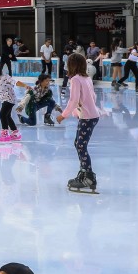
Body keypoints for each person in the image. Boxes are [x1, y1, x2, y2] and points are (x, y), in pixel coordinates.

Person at [56, 52, 103, 193]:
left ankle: (88, 177)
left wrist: (63, 115)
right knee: (79, 144)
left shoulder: (75, 79)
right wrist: (78, 112)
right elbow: (91, 96)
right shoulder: (86, 78)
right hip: (90, 115)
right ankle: (84, 172)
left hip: (88, 117)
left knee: (81, 146)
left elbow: (74, 100)